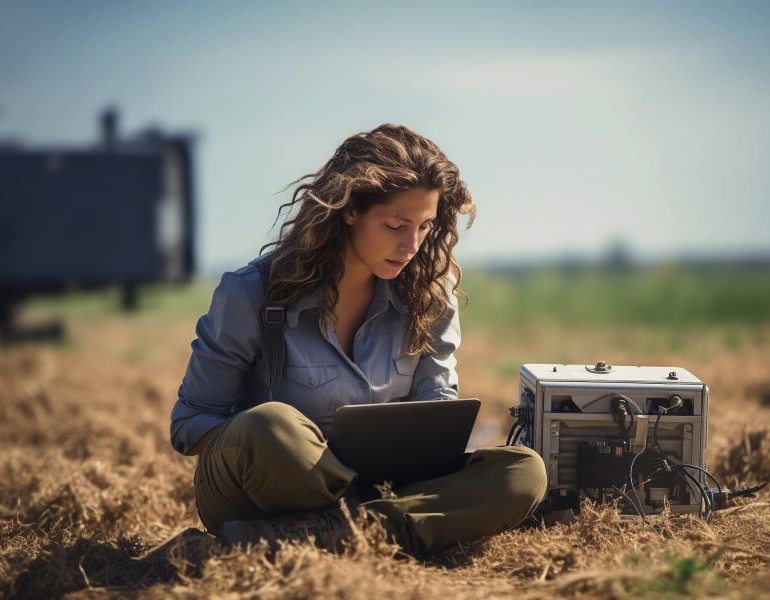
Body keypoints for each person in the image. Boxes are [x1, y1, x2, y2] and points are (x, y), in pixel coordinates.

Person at [170, 124, 547, 556]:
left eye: (424, 227)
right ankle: (385, 526)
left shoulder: (429, 295)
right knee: (270, 423)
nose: (411, 245)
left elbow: (437, 412)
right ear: (350, 211)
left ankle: (323, 535)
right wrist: (302, 452)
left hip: (385, 484)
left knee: (524, 471)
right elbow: (191, 423)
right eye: (395, 225)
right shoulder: (252, 291)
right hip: (256, 490)